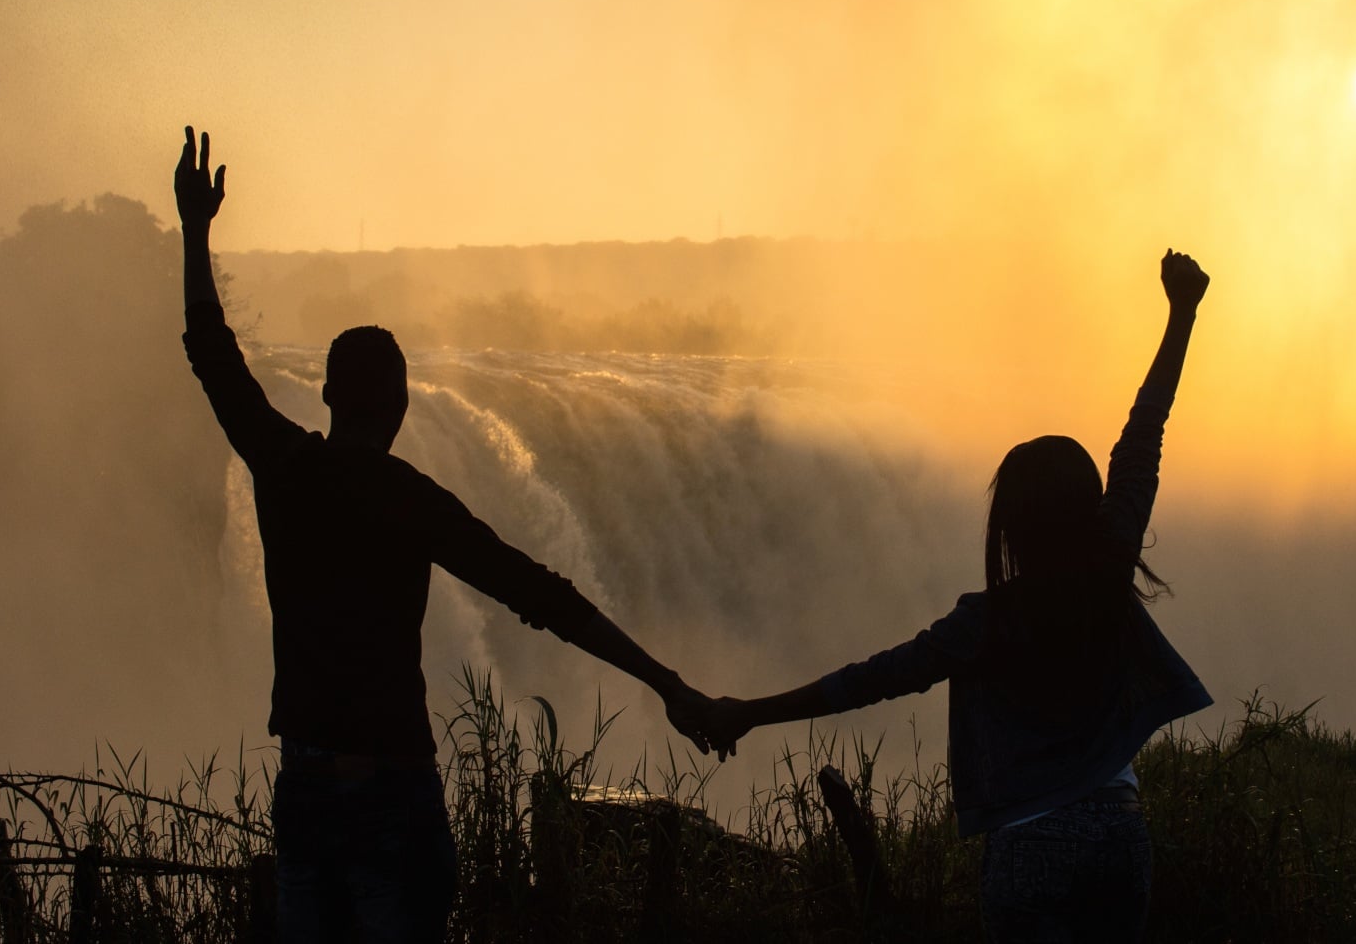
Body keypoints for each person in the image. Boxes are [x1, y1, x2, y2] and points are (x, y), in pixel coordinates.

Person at [173, 127, 718, 942]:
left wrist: (194, 229)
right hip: (393, 786)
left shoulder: (281, 465)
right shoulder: (412, 500)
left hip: (308, 786)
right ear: (399, 407)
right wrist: (665, 680)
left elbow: (213, 355)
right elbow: (544, 596)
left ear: (324, 394)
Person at [703, 250, 1213, 943]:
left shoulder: (986, 623)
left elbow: (872, 680)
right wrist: (1181, 314)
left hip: (1031, 845)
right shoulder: (1110, 565)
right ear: (1088, 508)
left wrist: (748, 713)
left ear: (1013, 524)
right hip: (1122, 837)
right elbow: (1143, 433)